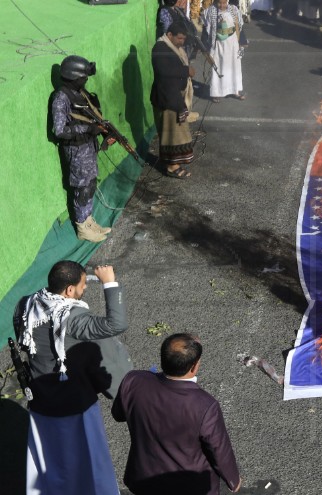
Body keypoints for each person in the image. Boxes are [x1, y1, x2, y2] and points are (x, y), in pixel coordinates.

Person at [14, 261, 130, 495]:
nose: (84, 289)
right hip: (74, 403)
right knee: (88, 460)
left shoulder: (27, 303)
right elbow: (117, 324)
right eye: (83, 284)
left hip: (41, 399)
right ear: (69, 290)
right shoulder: (74, 319)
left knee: (49, 458)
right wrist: (109, 282)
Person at [112, 334, 242, 495]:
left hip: (143, 479)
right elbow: (219, 449)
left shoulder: (133, 380)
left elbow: (118, 414)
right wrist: (233, 480)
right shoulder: (205, 405)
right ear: (194, 366)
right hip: (189, 487)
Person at [51, 55, 117, 243]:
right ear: (74, 76)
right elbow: (59, 130)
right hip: (77, 151)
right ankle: (82, 226)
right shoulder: (61, 97)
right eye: (83, 77)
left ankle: (88, 221)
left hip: (88, 147)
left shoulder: (81, 93)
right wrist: (88, 128)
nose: (86, 80)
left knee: (90, 184)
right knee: (82, 188)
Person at [152, 22, 196, 179]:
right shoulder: (160, 48)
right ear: (169, 35)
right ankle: (171, 166)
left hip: (174, 97)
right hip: (166, 98)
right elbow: (164, 71)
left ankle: (174, 163)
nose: (181, 42)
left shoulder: (172, 47)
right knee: (172, 134)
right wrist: (186, 70)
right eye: (179, 38)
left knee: (179, 132)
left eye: (184, 39)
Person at [203, 0, 248, 101]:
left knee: (234, 67)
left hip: (232, 44)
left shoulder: (234, 9)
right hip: (219, 44)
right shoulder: (210, 11)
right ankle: (216, 93)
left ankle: (235, 91)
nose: (222, 5)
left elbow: (239, 27)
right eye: (219, 3)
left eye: (224, 3)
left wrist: (242, 42)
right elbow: (207, 29)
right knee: (219, 67)